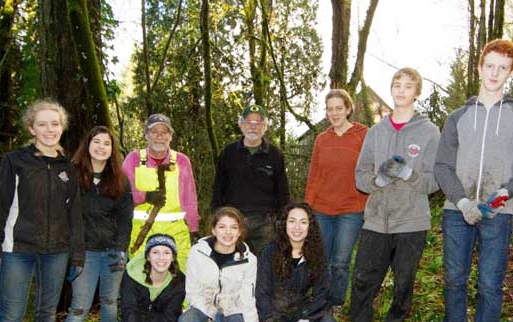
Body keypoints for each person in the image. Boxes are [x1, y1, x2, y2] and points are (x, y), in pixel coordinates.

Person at [433, 39, 513, 322]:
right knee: (454, 279)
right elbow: (442, 166)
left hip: (499, 211)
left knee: (489, 284)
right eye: (490, 65)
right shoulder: (458, 117)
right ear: (479, 67)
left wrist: (504, 193)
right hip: (456, 210)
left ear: (510, 72)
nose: (495, 73)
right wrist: (462, 201)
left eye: (502, 68)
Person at [0, 99, 84, 322]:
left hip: (56, 251)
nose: (49, 129)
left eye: (54, 124)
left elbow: (74, 216)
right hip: (17, 249)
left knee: (47, 312)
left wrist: (76, 255)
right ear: (32, 128)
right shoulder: (15, 161)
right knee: (10, 316)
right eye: (42, 124)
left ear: (62, 128)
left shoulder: (68, 168)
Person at [346, 68, 441, 322]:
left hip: (411, 223)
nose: (401, 90)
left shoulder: (429, 132)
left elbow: (435, 181)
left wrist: (409, 174)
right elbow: (360, 177)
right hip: (375, 221)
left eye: (408, 86)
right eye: (396, 85)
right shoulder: (376, 132)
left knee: (403, 286)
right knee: (362, 282)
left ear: (417, 93)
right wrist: (379, 181)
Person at [60, 126, 133, 322]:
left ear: (112, 150)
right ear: (87, 145)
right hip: (85, 252)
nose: (101, 147)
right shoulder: (72, 175)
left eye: (107, 143)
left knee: (111, 300)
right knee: (79, 305)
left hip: (112, 250)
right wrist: (72, 252)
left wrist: (121, 248)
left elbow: (126, 218)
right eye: (96, 142)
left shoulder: (120, 180)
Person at [170, 207, 267, 322]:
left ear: (240, 232)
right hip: (203, 308)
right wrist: (212, 314)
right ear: (213, 230)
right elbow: (192, 293)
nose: (228, 232)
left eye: (233, 227)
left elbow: (248, 302)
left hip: (232, 310)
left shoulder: (249, 260)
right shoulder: (198, 253)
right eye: (222, 227)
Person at [305, 89, 369, 306]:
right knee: (321, 259)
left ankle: (337, 303)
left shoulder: (363, 135)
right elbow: (314, 175)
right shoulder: (322, 140)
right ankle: (320, 301)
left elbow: (371, 169)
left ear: (348, 109)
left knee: (340, 262)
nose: (334, 113)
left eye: (338, 108)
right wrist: (308, 208)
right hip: (322, 210)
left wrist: (368, 203)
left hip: (351, 210)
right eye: (330, 109)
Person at [256, 203, 338, 322]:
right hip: (273, 314)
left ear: (310, 226)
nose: (297, 227)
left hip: (300, 312)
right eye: (292, 221)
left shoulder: (316, 253)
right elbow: (262, 294)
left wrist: (307, 319)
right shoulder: (270, 252)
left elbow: (323, 292)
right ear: (284, 224)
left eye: (303, 222)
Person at [122, 114, 199, 271]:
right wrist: (144, 197)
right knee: (140, 277)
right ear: (146, 135)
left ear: (170, 136)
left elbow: (189, 198)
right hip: (141, 232)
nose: (159, 136)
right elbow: (121, 194)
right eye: (154, 132)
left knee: (179, 278)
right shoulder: (134, 159)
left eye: (164, 132)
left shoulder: (182, 161)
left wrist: (193, 229)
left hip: (176, 232)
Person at [211, 104, 290, 254]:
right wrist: (217, 217)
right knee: (233, 263)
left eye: (258, 122)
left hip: (265, 223)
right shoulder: (228, 153)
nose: (253, 127)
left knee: (264, 266)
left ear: (264, 126)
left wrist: (282, 221)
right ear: (241, 125)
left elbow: (283, 192)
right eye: (249, 122)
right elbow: (218, 188)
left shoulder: (275, 154)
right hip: (233, 221)